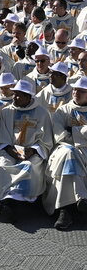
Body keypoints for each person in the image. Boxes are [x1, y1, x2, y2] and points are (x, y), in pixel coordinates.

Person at [0, 78, 54, 222]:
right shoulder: (7, 111)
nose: (14, 97)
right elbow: (3, 135)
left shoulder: (42, 113)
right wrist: (10, 150)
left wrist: (32, 150)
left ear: (28, 97)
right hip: (10, 148)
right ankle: (6, 200)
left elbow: (46, 139)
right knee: (2, 165)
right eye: (14, 94)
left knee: (29, 166)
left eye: (19, 95)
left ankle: (22, 202)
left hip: (32, 151)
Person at [43, 76, 87, 230]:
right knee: (69, 155)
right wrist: (81, 135)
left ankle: (66, 211)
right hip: (63, 148)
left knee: (71, 158)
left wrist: (74, 131)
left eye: (82, 91)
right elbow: (60, 135)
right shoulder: (62, 110)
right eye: (75, 89)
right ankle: (73, 204)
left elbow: (69, 133)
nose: (76, 93)